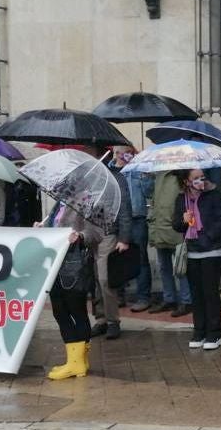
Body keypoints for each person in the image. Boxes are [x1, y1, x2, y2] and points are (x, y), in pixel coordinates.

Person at [42, 202, 102, 380]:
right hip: (55, 264)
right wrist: (42, 228)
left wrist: (80, 236)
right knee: (59, 310)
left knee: (76, 310)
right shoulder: (58, 202)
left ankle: (76, 363)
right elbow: (53, 228)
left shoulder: (88, 203)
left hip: (74, 266)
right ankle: (77, 361)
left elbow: (96, 234)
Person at [172, 168, 221, 351]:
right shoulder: (181, 199)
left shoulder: (214, 195)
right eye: (195, 178)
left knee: (210, 292)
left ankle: (215, 333)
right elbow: (176, 225)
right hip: (191, 252)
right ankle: (199, 331)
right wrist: (183, 220)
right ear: (186, 181)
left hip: (212, 251)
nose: (200, 181)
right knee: (196, 294)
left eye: (202, 177)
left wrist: (207, 237)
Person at [90, 146, 132, 340]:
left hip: (108, 232)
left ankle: (113, 320)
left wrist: (124, 238)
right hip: (89, 232)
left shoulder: (116, 177)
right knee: (95, 279)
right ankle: (101, 319)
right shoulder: (88, 177)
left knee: (106, 279)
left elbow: (124, 208)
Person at [112, 146, 155, 314]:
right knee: (116, 258)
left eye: (130, 152)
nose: (128, 156)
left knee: (140, 257)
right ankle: (119, 295)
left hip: (136, 217)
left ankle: (143, 297)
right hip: (115, 219)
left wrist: (146, 175)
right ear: (116, 154)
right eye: (124, 153)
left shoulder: (138, 168)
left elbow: (149, 192)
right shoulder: (109, 170)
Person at [148, 170, 193, 317]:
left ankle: (186, 301)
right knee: (164, 267)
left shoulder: (182, 173)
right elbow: (154, 201)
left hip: (176, 227)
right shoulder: (159, 174)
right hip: (160, 227)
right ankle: (170, 299)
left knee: (181, 268)